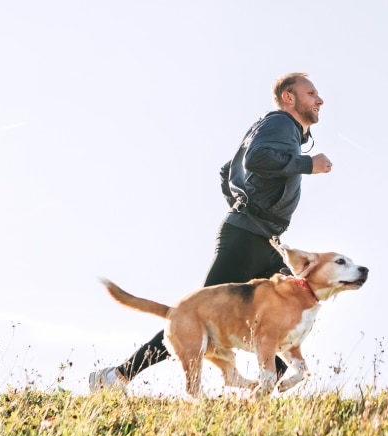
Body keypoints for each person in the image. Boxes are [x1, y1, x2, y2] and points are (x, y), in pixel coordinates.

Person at [89, 72, 334, 392]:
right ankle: (116, 378)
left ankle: (267, 389)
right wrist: (306, 165)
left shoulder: (280, 131)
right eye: (311, 93)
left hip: (259, 237)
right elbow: (258, 159)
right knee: (196, 317)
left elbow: (229, 171)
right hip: (247, 238)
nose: (320, 99)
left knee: (284, 308)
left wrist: (247, 203)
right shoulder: (280, 124)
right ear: (289, 98)